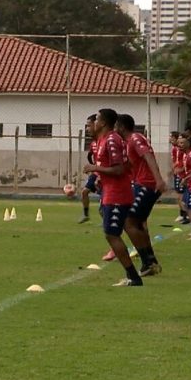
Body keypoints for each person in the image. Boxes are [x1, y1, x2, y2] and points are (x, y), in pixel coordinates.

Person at [83, 108, 143, 287]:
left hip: (117, 193)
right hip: (110, 192)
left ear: (102, 123)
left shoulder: (111, 139)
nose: (92, 124)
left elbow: (119, 169)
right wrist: (100, 178)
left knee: (112, 234)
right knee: (113, 233)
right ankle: (138, 269)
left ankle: (134, 275)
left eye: (96, 120)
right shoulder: (102, 140)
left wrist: (95, 169)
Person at [116, 114, 168, 277]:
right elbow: (131, 165)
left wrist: (158, 179)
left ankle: (148, 261)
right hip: (141, 184)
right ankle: (150, 261)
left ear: (122, 127)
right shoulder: (127, 143)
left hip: (147, 184)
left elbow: (148, 156)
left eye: (115, 126)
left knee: (128, 221)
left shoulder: (135, 138)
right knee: (137, 223)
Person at [79, 114, 99, 224]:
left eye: (89, 125)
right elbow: (89, 155)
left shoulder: (106, 140)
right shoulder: (93, 143)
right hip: (97, 172)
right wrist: (92, 167)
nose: (87, 129)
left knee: (105, 198)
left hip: (105, 173)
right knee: (84, 192)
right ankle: (86, 214)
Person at [169, 131, 190, 224]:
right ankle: (183, 214)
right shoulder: (174, 148)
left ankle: (186, 215)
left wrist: (180, 169)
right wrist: (173, 169)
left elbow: (184, 162)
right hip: (178, 173)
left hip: (183, 175)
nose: (169, 139)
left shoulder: (182, 149)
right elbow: (175, 161)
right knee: (179, 195)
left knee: (181, 196)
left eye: (171, 137)